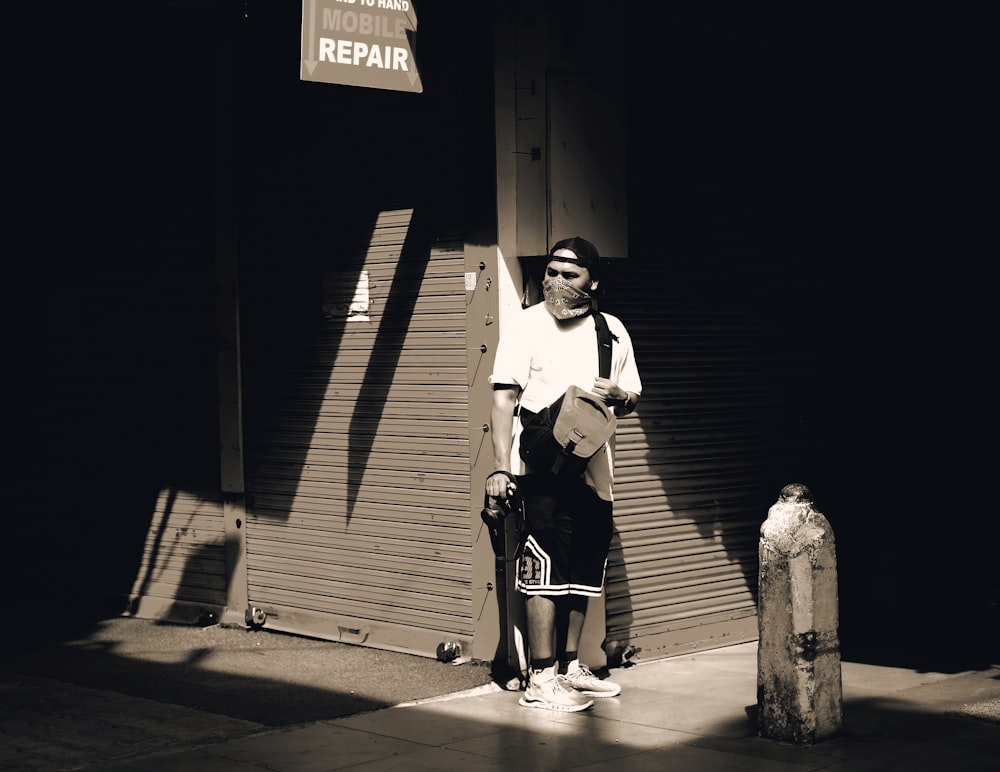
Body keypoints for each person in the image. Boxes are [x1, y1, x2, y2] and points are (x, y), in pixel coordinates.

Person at [487, 236, 642, 712]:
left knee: (582, 572)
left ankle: (572, 667)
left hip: (595, 473)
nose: (556, 282)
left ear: (593, 280)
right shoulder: (526, 325)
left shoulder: (611, 330)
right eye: (551, 272)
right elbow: (502, 399)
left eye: (569, 275)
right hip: (540, 472)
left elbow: (633, 397)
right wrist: (499, 468)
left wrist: (620, 393)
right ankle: (539, 677)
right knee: (542, 572)